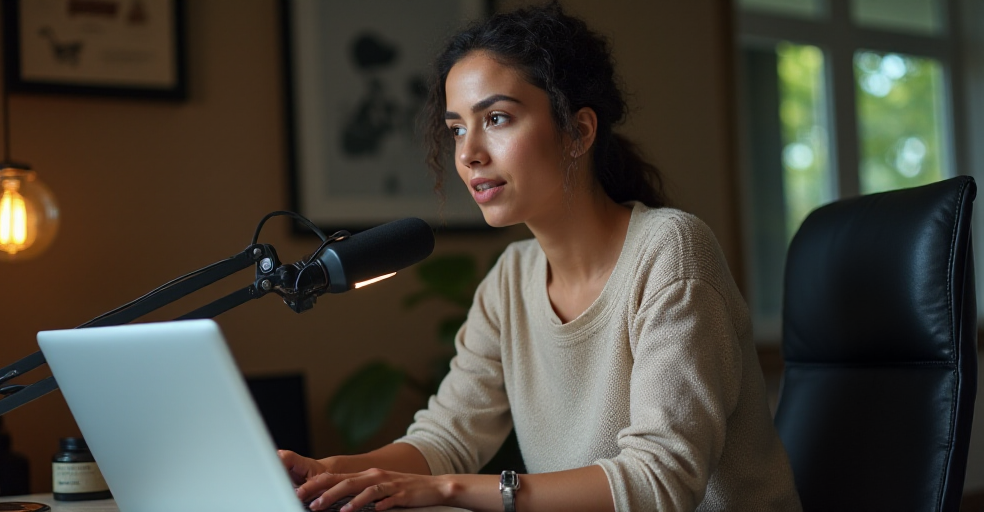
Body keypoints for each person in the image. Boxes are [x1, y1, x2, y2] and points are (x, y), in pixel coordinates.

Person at [279, 3, 802, 511]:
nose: (468, 154)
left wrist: (449, 491)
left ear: (579, 131)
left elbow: (658, 484)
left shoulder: (671, 253)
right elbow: (447, 438)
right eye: (458, 127)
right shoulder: (511, 279)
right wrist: (332, 471)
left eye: (497, 119)